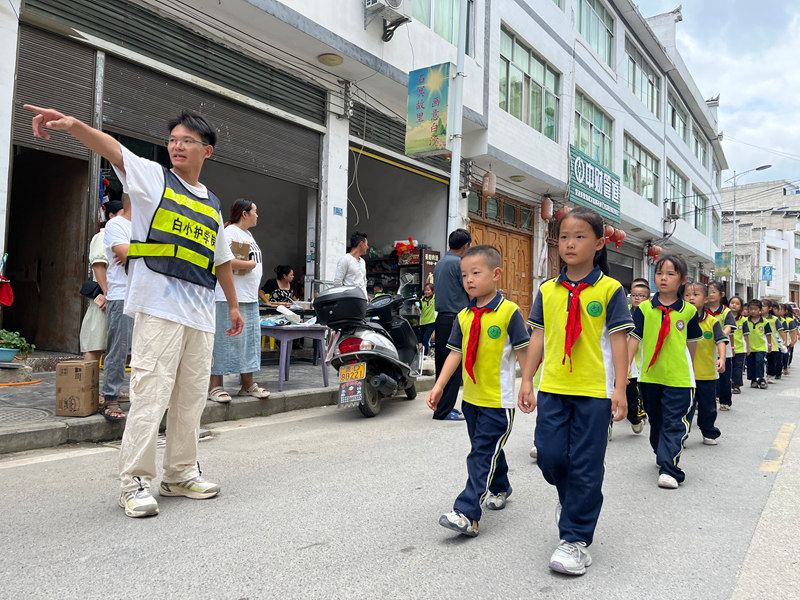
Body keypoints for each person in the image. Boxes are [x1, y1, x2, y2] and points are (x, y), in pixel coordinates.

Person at [25, 105, 243, 518]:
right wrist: (73, 125)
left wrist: (232, 305)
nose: (177, 146)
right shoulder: (153, 178)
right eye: (173, 139)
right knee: (150, 395)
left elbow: (220, 261)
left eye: (187, 141)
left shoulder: (212, 204)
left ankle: (180, 473)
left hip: (200, 314)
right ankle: (135, 481)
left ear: (207, 151)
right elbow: (113, 149)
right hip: (160, 310)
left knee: (190, 399)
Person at [518, 206, 632, 576]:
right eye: (564, 236)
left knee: (585, 465)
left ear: (599, 243)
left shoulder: (611, 290)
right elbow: (538, 335)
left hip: (594, 392)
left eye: (580, 236)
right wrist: (526, 378)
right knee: (550, 457)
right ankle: (572, 508)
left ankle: (576, 540)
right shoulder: (548, 290)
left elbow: (619, 341)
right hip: (553, 387)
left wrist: (620, 388)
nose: (570, 243)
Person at [427, 245, 529, 539]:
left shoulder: (509, 313)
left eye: (476, 273)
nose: (468, 280)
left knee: (481, 453)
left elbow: (523, 351)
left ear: (495, 274)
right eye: (464, 275)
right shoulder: (463, 316)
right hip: (471, 400)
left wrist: (527, 383)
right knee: (488, 450)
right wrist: (439, 385)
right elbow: (455, 354)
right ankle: (500, 485)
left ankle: (467, 512)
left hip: (499, 401)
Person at [627, 255, 703, 490]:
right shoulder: (645, 309)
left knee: (674, 423)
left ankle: (670, 468)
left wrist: (688, 368)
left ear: (683, 279)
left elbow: (692, 343)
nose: (664, 278)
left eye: (670, 274)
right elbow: (634, 339)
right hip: (650, 376)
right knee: (657, 422)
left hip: (679, 379)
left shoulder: (689, 311)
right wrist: (623, 372)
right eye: (659, 273)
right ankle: (662, 452)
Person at [208, 198, 269, 403]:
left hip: (249, 298)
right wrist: (250, 265)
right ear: (245, 213)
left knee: (249, 343)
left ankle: (247, 384)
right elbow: (223, 261)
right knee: (223, 342)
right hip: (230, 297)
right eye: (255, 211)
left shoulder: (247, 234)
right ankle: (215, 386)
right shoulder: (230, 232)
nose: (258, 215)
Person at [432, 228, 471, 421]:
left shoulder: (440, 263)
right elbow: (470, 290)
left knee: (442, 364)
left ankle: (439, 404)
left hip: (441, 319)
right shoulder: (460, 264)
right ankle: (444, 410)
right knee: (454, 366)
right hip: (456, 319)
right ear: (466, 246)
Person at [100, 193, 134, 422]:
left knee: (147, 352)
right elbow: (123, 254)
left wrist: (137, 253)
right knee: (119, 349)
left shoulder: (147, 227)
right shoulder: (116, 224)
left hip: (146, 296)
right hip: (122, 295)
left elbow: (167, 255)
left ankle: (145, 398)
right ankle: (110, 397)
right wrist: (147, 253)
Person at [684, 281, 727, 445]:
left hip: (707, 373)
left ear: (706, 299)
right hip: (684, 374)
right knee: (685, 407)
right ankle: (681, 435)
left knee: (708, 407)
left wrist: (722, 358)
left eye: (696, 295)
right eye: (687, 295)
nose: (691, 298)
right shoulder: (679, 319)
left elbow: (721, 340)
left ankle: (709, 432)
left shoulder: (712, 321)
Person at [79, 202, 115, 361]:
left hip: (116, 296)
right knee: (96, 343)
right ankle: (86, 384)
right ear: (111, 215)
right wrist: (107, 292)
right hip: (104, 295)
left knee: (111, 344)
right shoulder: (103, 236)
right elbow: (98, 265)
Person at [625, 279, 650, 434]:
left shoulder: (651, 313)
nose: (636, 298)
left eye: (640, 296)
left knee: (635, 395)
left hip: (643, 358)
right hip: (624, 358)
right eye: (634, 295)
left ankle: (636, 417)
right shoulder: (624, 311)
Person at [707, 281, 735, 410]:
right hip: (706, 348)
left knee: (724, 376)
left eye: (713, 292)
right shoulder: (703, 309)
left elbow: (729, 326)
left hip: (723, 348)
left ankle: (725, 401)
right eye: (708, 292)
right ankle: (708, 399)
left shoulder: (726, 311)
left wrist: (720, 337)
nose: (710, 294)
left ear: (721, 294)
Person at [333, 231, 368, 297]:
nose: (367, 247)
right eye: (366, 244)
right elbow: (337, 283)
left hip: (362, 301)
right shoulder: (345, 259)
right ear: (361, 244)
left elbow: (363, 282)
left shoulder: (363, 262)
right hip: (350, 301)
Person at [728, 295, 750, 395]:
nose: (734, 305)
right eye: (732, 303)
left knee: (738, 367)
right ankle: (728, 384)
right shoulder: (725, 317)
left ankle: (737, 386)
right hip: (727, 348)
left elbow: (746, 335)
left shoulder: (743, 320)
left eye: (737, 304)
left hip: (740, 349)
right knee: (728, 368)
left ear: (740, 307)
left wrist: (748, 348)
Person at [746, 299, 770, 390]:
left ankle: (761, 378)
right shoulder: (745, 321)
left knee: (759, 361)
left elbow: (768, 334)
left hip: (761, 347)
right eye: (751, 309)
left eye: (755, 309)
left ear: (760, 309)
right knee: (750, 363)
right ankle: (753, 380)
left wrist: (769, 345)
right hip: (749, 347)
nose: (753, 311)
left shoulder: (764, 321)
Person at [763, 300, 786, 383]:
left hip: (772, 343)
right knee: (760, 361)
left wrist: (784, 340)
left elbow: (780, 330)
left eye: (764, 306)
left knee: (772, 361)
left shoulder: (774, 319)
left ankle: (771, 375)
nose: (762, 308)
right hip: (760, 343)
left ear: (769, 308)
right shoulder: (757, 318)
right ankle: (761, 375)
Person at [417, 283, 435, 355]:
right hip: (423, 323)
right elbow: (419, 313)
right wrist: (417, 309)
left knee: (425, 340)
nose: (426, 292)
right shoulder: (421, 301)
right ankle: (425, 353)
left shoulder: (434, 299)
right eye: (425, 290)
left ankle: (426, 355)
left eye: (428, 290)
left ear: (433, 291)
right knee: (421, 340)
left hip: (431, 323)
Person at [781, 303, 797, 374]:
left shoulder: (789, 320)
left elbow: (793, 331)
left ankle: (786, 366)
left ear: (785, 311)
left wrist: (793, 340)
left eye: (780, 309)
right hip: (777, 341)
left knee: (786, 355)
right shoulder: (775, 319)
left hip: (787, 341)